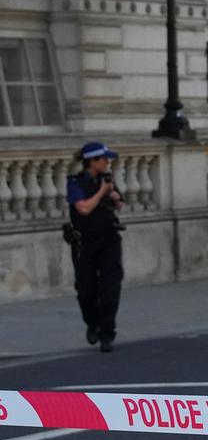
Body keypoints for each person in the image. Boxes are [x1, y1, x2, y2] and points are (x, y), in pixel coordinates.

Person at [66, 142, 126, 352]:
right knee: (86, 290)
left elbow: (118, 204)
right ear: (92, 161)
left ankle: (107, 332)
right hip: (86, 242)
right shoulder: (76, 183)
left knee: (111, 287)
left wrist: (115, 198)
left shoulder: (107, 181)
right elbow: (83, 208)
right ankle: (93, 323)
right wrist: (102, 192)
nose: (107, 162)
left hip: (109, 239)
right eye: (104, 159)